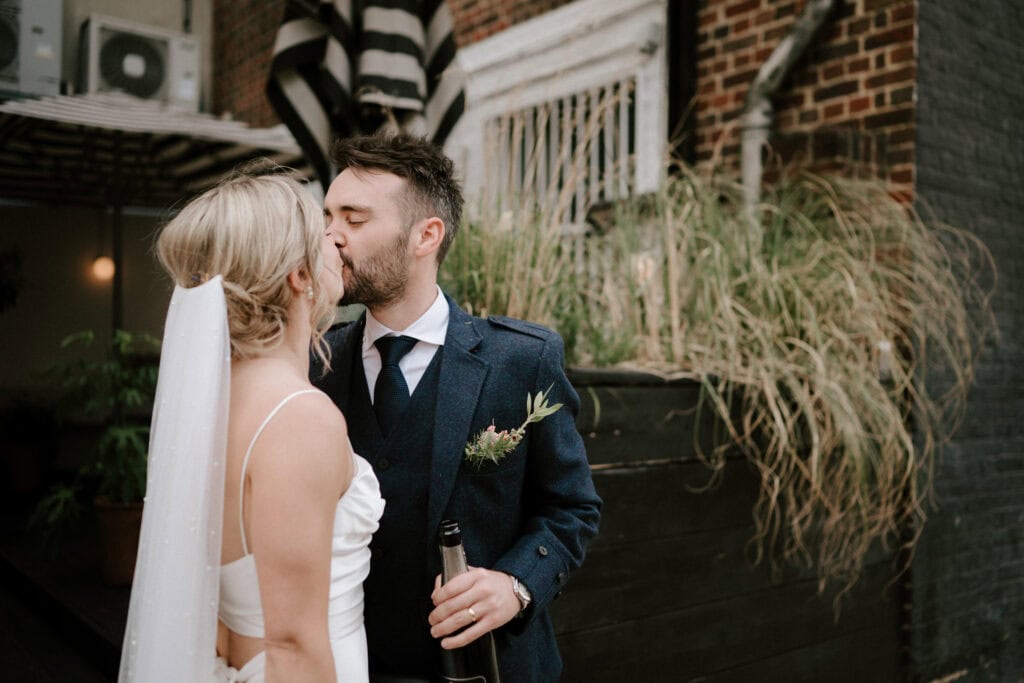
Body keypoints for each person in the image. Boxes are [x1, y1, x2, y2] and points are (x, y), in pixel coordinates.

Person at [314, 132, 602, 682]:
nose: (330, 238)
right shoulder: (314, 365)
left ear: (427, 235)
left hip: (492, 666)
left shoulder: (522, 359)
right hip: (352, 664)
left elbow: (573, 509)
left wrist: (516, 585)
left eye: (353, 219)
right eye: (327, 217)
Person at [118, 172, 384, 683]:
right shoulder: (298, 417)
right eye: (322, 236)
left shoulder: (210, 403)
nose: (337, 242)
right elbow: (295, 644)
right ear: (299, 276)